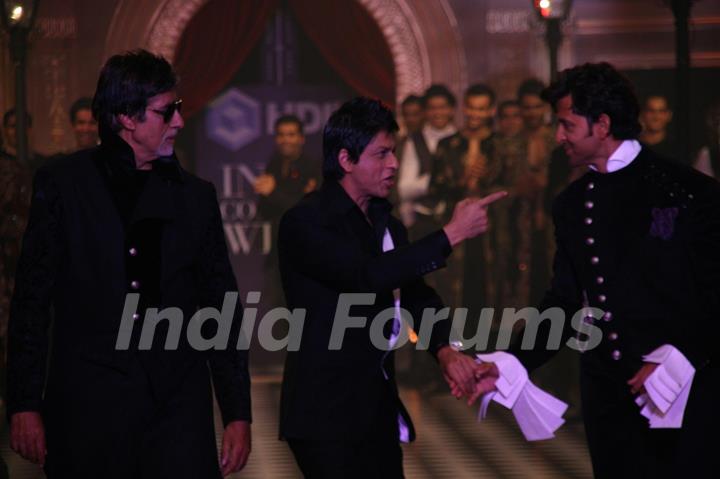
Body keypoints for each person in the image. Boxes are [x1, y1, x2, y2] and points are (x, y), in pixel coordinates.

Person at [6, 49, 251, 478]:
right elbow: (32, 300)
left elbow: (221, 308)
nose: (178, 121)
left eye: (177, 109)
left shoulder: (195, 196)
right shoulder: (63, 185)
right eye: (165, 112)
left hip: (176, 409)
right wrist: (24, 403)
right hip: (88, 408)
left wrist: (237, 412)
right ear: (126, 117)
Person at [474, 62, 720, 477]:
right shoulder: (571, 204)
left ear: (602, 124)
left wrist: (682, 355)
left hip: (686, 391)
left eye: (567, 125)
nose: (558, 137)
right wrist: (513, 359)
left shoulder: (689, 191)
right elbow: (565, 303)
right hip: (609, 398)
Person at [278, 97, 506, 478]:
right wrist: (450, 234)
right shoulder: (306, 222)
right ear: (346, 160)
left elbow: (416, 295)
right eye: (382, 154)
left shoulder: (386, 222)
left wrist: (445, 350)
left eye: (395, 153)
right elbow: (365, 276)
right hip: (325, 415)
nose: (394, 164)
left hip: (377, 410)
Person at [255, 114, 318, 309]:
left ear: (302, 138)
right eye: (281, 135)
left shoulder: (312, 167)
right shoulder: (273, 164)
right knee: (278, 310)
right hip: (277, 251)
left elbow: (304, 211)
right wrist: (267, 194)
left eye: (291, 134)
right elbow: (263, 210)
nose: (285, 140)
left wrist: (273, 192)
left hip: (306, 251)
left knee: (304, 309)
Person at [397, 84, 457, 235]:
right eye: (432, 108)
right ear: (425, 112)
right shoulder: (415, 141)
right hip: (424, 222)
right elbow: (404, 189)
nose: (438, 113)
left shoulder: (461, 139)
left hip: (456, 218)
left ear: (452, 110)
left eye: (442, 107)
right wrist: (435, 181)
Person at [639, 94, 678, 161]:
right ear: (643, 114)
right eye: (651, 111)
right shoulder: (633, 147)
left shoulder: (677, 149)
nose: (656, 117)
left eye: (661, 111)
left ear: (669, 115)